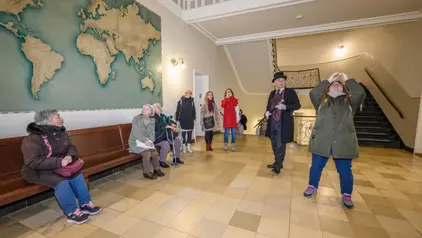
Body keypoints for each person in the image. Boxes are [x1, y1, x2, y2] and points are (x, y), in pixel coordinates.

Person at [21, 110, 101, 224]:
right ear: (48, 121)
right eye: (58, 116)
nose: (61, 118)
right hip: (37, 171)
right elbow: (33, 161)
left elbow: (71, 146)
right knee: (61, 182)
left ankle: (85, 204)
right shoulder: (32, 139)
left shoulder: (61, 133)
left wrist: (69, 156)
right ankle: (71, 212)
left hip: (59, 166)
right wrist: (59, 162)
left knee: (77, 174)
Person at [304, 72, 366, 209]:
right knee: (316, 167)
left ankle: (346, 194)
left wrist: (347, 79)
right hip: (322, 141)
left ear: (344, 89)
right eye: (333, 85)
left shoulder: (349, 103)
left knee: (345, 171)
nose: (335, 84)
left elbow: (360, 93)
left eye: (339, 84)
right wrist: (329, 79)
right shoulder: (321, 102)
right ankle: (312, 186)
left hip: (343, 143)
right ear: (328, 89)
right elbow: (314, 93)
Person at [265, 72, 301, 174]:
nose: (282, 82)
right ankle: (278, 162)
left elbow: (297, 105)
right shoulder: (272, 93)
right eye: (279, 80)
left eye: (283, 80)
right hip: (272, 123)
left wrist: (285, 107)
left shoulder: (290, 92)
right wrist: (267, 111)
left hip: (283, 123)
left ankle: (278, 166)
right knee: (274, 144)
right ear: (275, 83)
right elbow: (269, 105)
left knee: (280, 145)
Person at [129, 104, 165, 180]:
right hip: (135, 141)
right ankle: (146, 172)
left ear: (151, 111)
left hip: (146, 142)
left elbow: (152, 132)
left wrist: (151, 141)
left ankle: (156, 169)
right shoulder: (136, 118)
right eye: (144, 109)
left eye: (147, 109)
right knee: (147, 153)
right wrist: (145, 141)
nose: (144, 110)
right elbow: (135, 132)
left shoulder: (152, 120)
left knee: (154, 153)